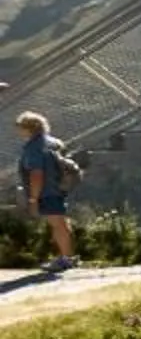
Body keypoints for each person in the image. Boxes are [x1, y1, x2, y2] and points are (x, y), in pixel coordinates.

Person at [14, 112, 79, 273]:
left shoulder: (34, 147)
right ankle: (67, 256)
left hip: (46, 191)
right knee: (61, 222)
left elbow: (36, 174)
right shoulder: (54, 142)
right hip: (59, 187)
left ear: (28, 128)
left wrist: (33, 199)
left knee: (57, 223)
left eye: (20, 127)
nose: (18, 132)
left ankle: (65, 259)